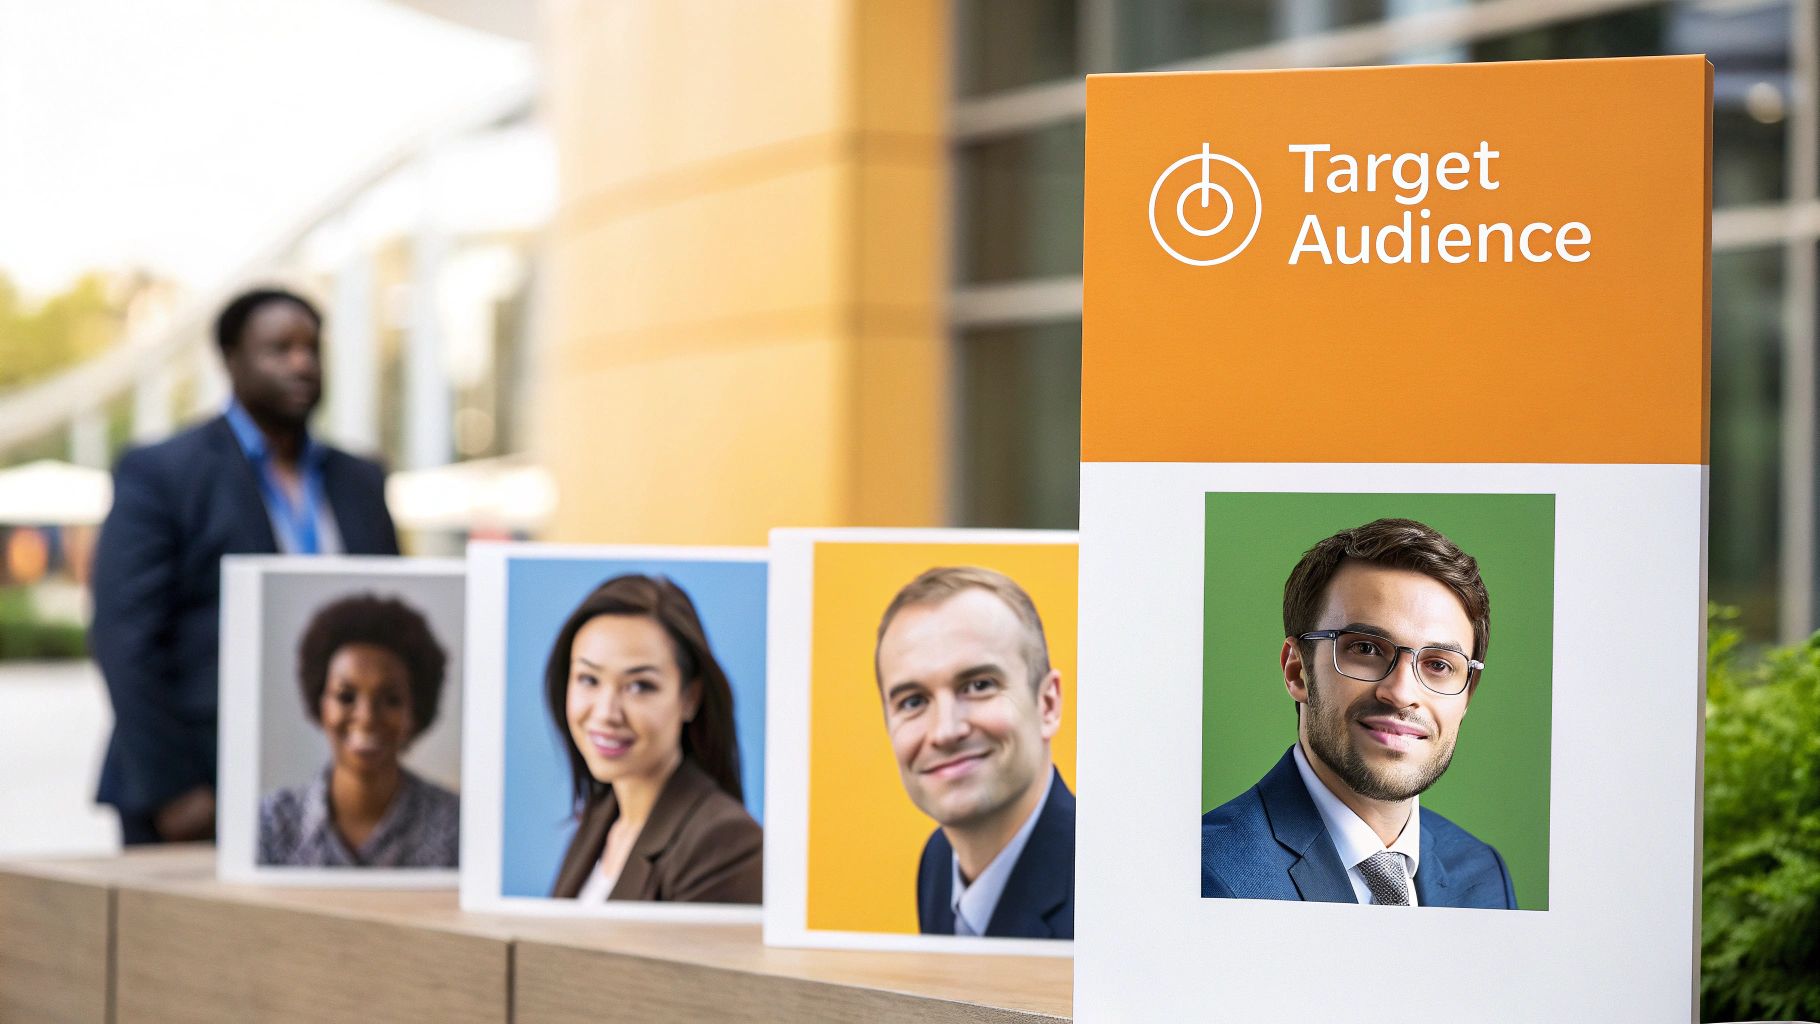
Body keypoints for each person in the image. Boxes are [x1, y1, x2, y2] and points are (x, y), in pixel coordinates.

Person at [90, 287, 400, 845]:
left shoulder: (361, 480)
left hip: (338, 784)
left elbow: (395, 618)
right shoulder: (162, 473)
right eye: (279, 349)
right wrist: (173, 789)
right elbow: (124, 637)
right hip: (195, 789)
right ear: (231, 361)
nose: (301, 363)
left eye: (312, 349)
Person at [1201, 517, 1517, 909]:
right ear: (1297, 670)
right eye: (1366, 649)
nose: (1401, 693)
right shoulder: (1208, 876)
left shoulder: (1485, 876)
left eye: (1438, 664)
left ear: (1467, 694)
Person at [874, 567, 1074, 939]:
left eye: (979, 685)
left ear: (1047, 704)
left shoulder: (1111, 897)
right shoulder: (938, 861)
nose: (945, 731)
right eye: (913, 701)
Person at [546, 575, 762, 903]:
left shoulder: (723, 842)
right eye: (589, 679)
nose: (606, 712)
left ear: (690, 697)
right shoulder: (602, 815)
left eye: (639, 686)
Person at [259, 594, 459, 867]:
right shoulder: (271, 823)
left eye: (390, 700)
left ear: (415, 711)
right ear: (321, 704)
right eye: (346, 697)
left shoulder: (455, 826)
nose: (366, 718)